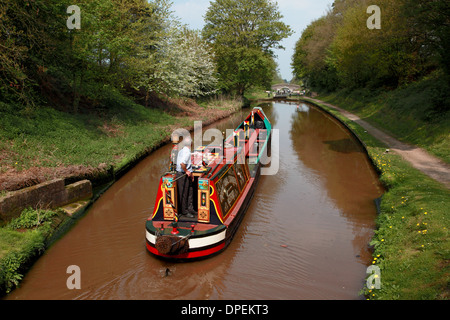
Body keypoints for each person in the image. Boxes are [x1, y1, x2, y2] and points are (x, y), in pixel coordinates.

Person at [176, 136, 196, 218]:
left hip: (185, 174)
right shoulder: (187, 152)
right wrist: (186, 171)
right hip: (182, 175)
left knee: (190, 191)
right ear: (191, 144)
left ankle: (190, 208)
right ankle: (184, 212)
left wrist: (191, 173)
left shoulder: (182, 150)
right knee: (184, 193)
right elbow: (182, 164)